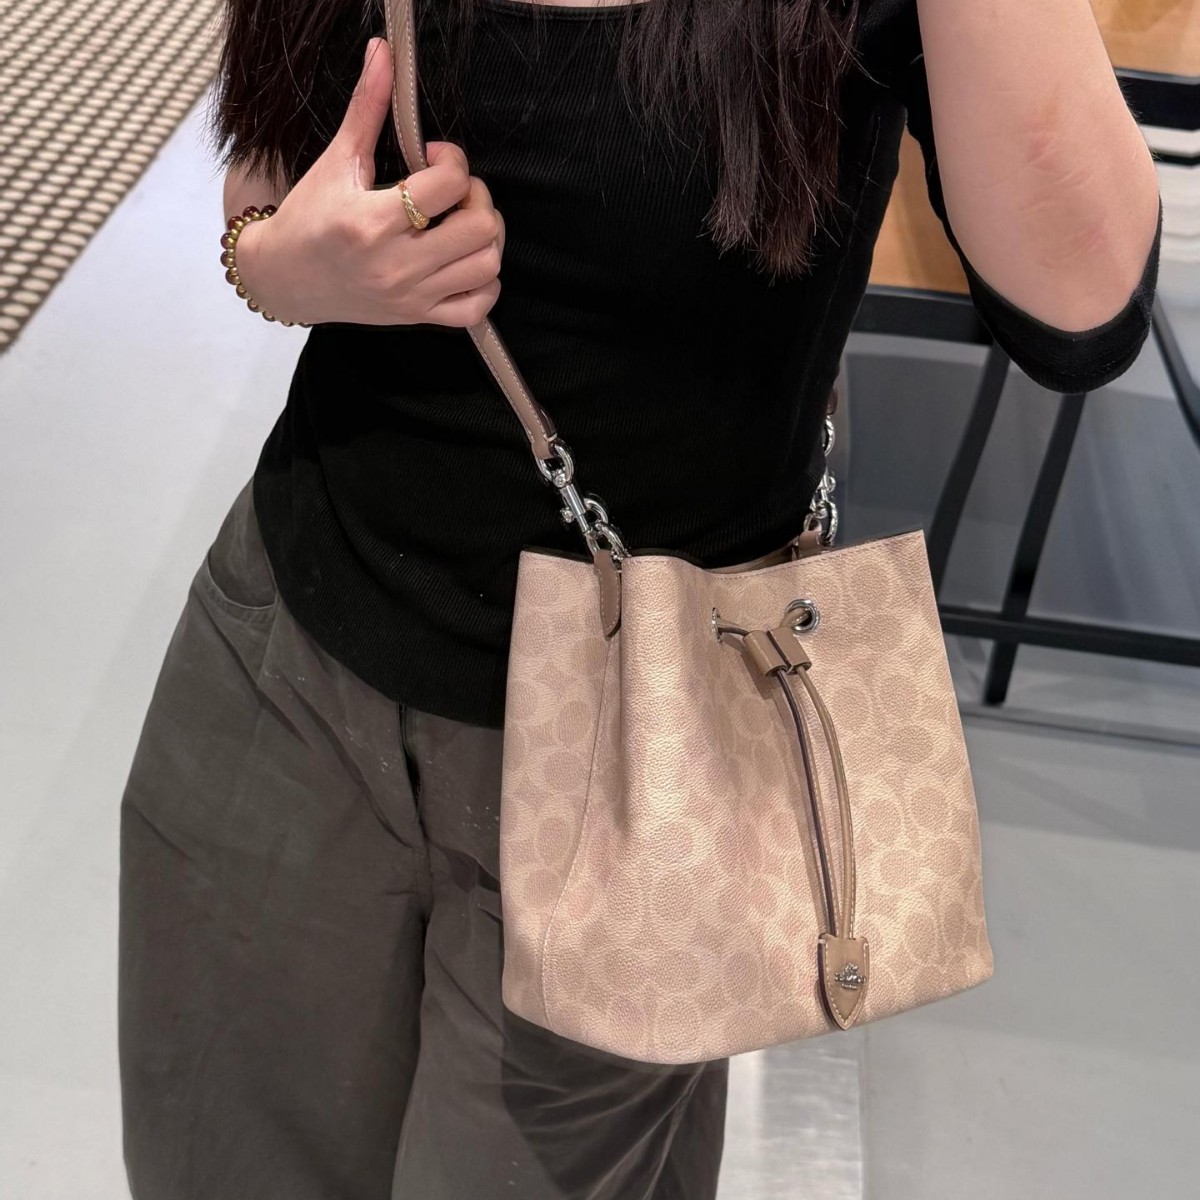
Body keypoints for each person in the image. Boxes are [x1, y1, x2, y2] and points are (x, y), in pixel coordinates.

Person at [116, 1, 1162, 1197]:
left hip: (649, 755)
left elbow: (1082, 304)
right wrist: (278, 268)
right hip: (284, 658)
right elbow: (270, 171)